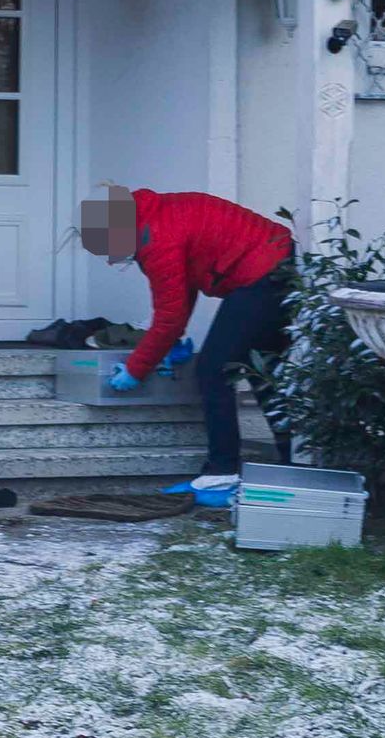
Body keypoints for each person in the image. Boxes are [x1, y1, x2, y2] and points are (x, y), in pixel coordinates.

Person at [80, 183, 295, 504]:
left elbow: (170, 315)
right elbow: (182, 291)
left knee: (213, 370)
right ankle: (297, 465)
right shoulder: (154, 214)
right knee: (262, 371)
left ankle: (221, 475)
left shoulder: (156, 241)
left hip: (261, 273)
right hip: (279, 263)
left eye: (110, 251)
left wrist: (136, 369)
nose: (113, 261)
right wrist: (170, 344)